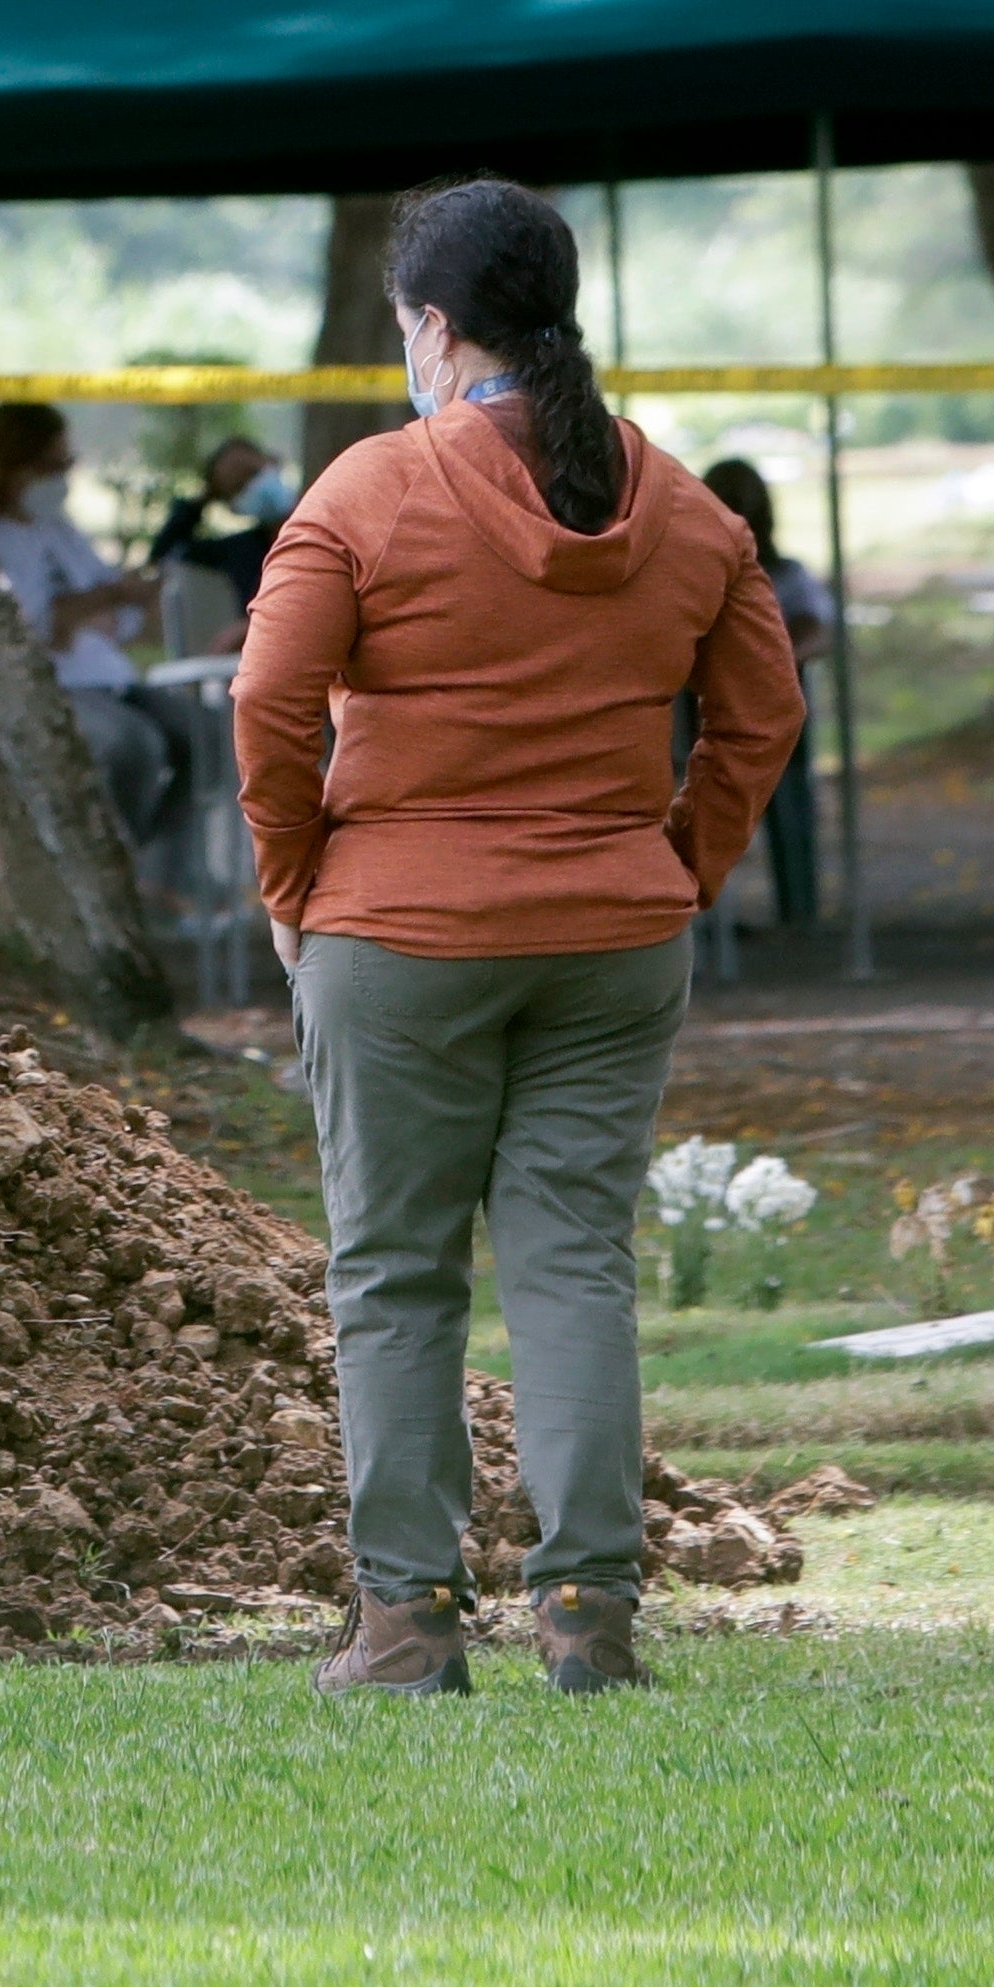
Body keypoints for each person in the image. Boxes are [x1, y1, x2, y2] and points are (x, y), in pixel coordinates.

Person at [233, 180, 801, 1701]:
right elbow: (764, 715)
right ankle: (589, 1615)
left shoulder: (367, 491)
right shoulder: (683, 506)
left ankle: (410, 1626)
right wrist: (676, 864)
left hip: (396, 932)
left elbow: (268, 700)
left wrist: (291, 882)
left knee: (395, 1275)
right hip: (614, 937)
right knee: (573, 1270)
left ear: (433, 326)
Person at [0, 400, 188, 841]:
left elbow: (119, 618)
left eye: (68, 463)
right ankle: (120, 860)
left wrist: (103, 604)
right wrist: (100, 601)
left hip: (107, 674)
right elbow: (32, 628)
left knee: (206, 735)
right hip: (53, 684)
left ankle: (168, 866)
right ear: (12, 465)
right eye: (52, 465)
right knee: (135, 746)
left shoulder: (57, 528)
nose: (63, 477)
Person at [698, 458, 831, 932]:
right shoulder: (698, 573)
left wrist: (759, 662)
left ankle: (798, 912)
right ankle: (709, 920)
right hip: (709, 715)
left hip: (767, 715)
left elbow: (817, 630)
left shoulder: (785, 575)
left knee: (787, 810)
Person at [149, 433, 295, 607]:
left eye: (252, 473)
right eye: (239, 487)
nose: (252, 485)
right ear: (234, 507)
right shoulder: (243, 553)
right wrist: (203, 500)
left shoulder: (319, 513)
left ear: (271, 462)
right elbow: (168, 553)